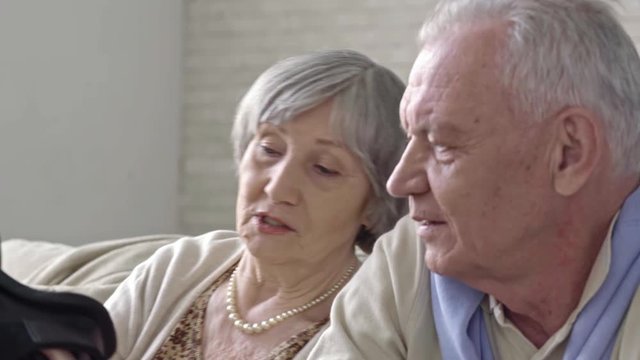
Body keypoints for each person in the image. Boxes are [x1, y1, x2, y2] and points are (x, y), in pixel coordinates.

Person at [308, 0, 640, 359]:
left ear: (568, 153)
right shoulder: (408, 263)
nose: (400, 182)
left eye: (441, 145)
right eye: (410, 138)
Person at [104, 49, 408, 359]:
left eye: (324, 168)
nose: (278, 188)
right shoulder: (177, 268)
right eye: (270, 149)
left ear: (374, 205)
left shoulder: (366, 330)